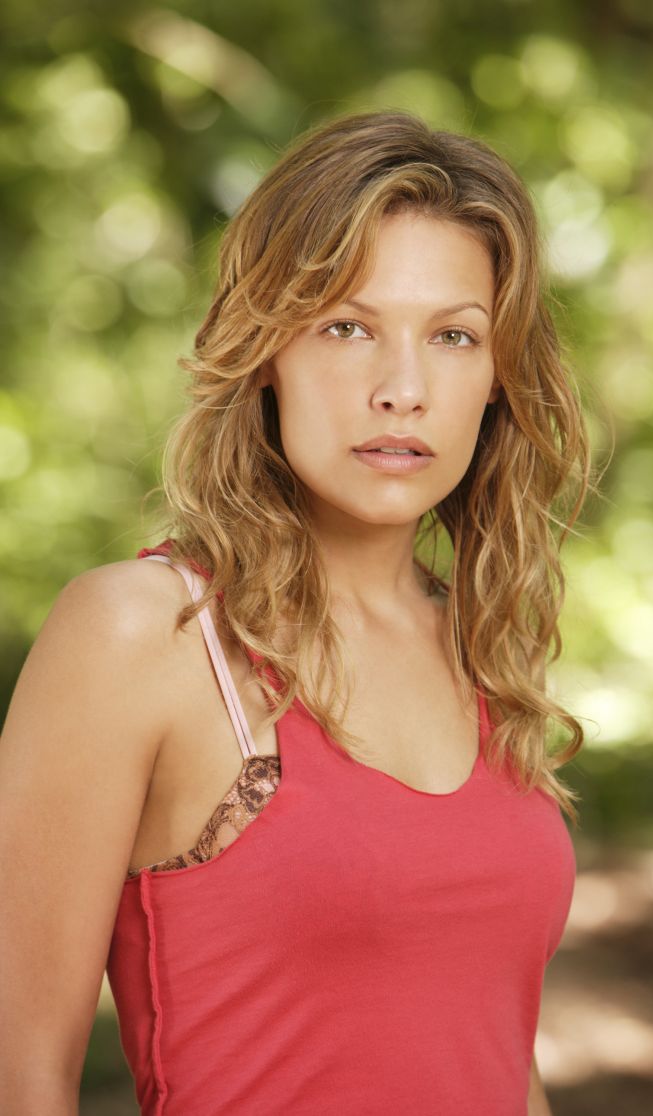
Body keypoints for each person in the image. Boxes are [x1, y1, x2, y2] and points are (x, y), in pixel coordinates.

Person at [0, 109, 592, 1115]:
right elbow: (21, 1075)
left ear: (498, 380)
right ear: (267, 348)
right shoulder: (143, 633)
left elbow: (494, 1052)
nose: (403, 388)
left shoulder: (484, 650)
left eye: (453, 336)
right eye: (347, 326)